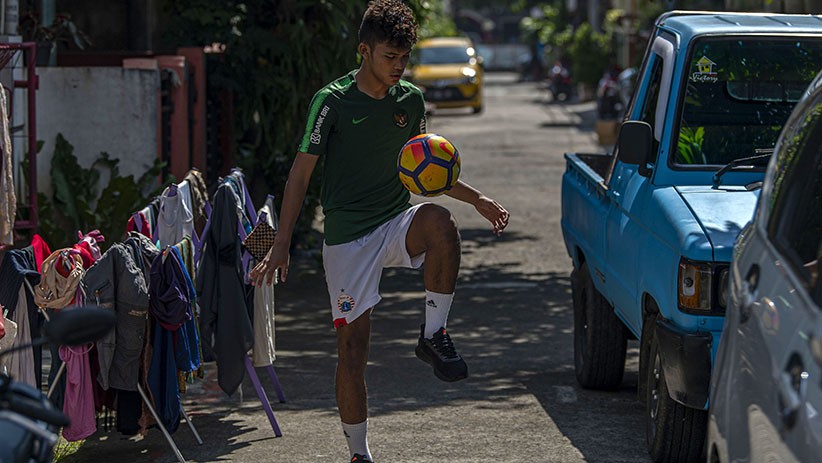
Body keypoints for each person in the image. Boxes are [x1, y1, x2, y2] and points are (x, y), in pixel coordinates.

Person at [249, 1, 509, 461]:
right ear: (364, 51)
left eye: (404, 58)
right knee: (352, 351)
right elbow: (299, 175)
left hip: (395, 222)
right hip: (348, 239)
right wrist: (282, 242)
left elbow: (427, 170)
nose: (399, 66)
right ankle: (359, 454)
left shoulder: (410, 100)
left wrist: (478, 199)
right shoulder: (330, 102)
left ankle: (434, 335)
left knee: (441, 224)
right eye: (390, 57)